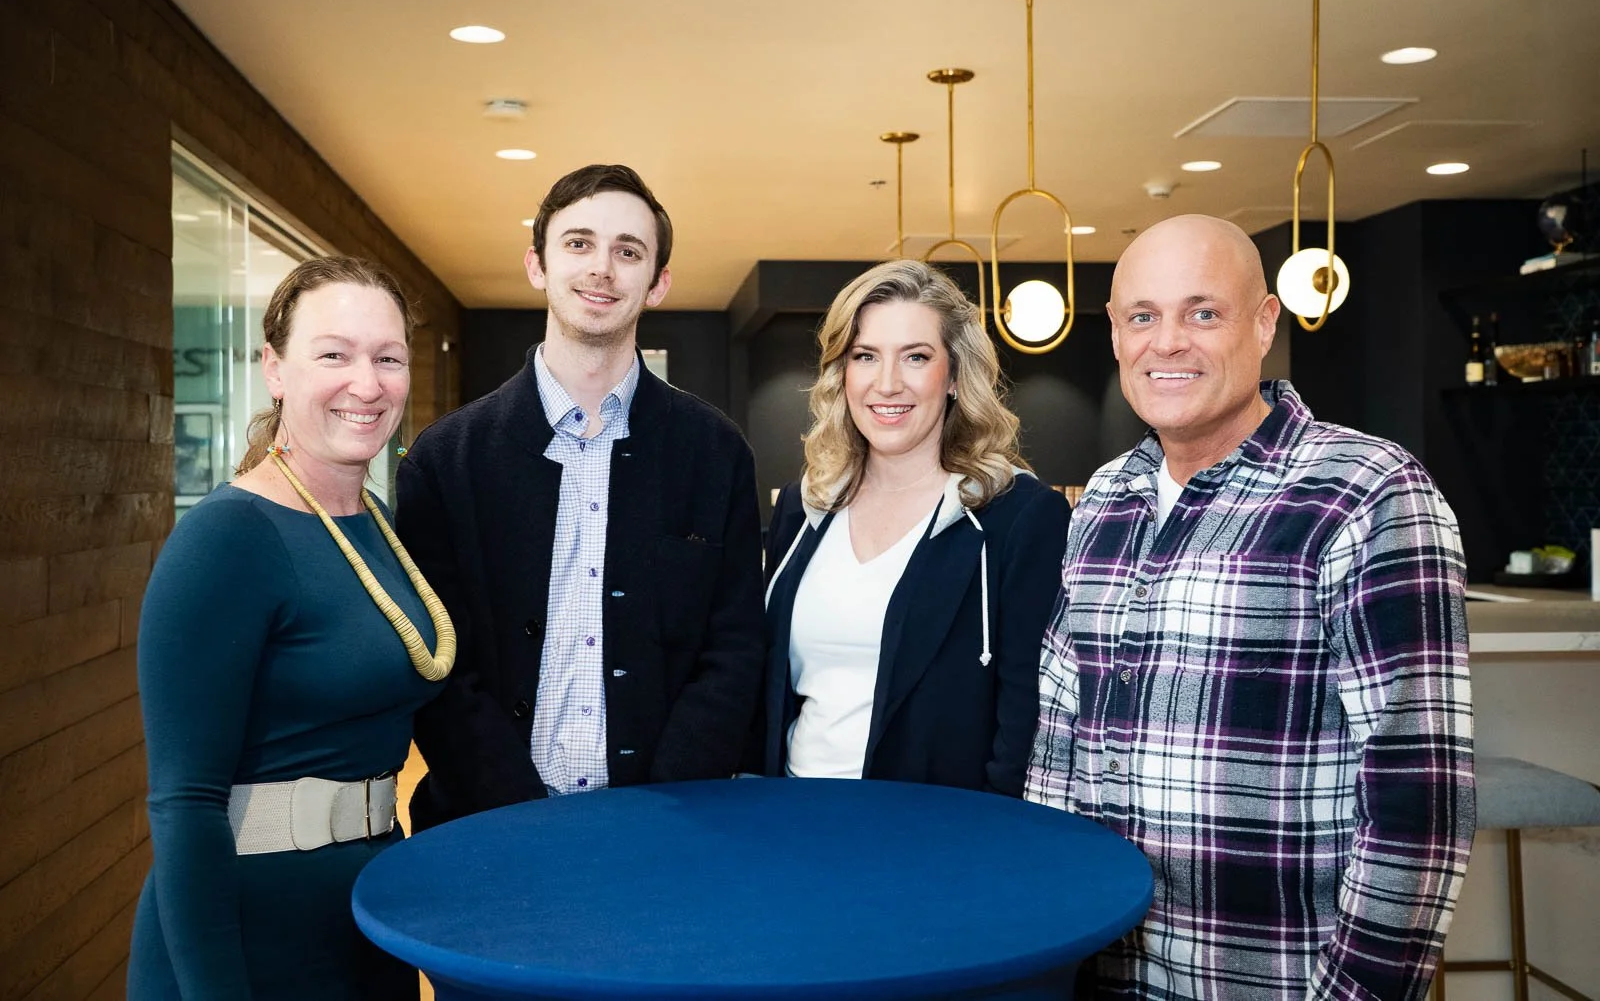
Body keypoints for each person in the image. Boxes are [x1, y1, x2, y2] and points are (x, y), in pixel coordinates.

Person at [1026, 214, 1474, 1000]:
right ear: (1117, 336)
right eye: (1143, 316)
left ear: (1265, 323)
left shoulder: (1367, 490)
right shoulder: (1104, 497)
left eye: (1203, 312)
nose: (1167, 342)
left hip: (1263, 974)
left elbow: (1418, 798)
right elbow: (1058, 744)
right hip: (1093, 965)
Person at [396, 163, 764, 829]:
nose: (602, 268)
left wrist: (659, 808)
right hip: (484, 831)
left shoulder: (715, 451)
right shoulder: (446, 458)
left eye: (629, 252)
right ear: (536, 264)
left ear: (658, 283)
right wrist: (516, 813)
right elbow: (437, 660)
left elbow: (733, 650)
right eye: (578, 243)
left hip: (671, 832)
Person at [130, 257, 455, 998]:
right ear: (275, 368)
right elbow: (184, 803)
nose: (366, 383)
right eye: (334, 354)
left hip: (366, 917)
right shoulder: (229, 536)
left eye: (388, 358)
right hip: (249, 939)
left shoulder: (377, 525)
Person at [760, 259, 1069, 795]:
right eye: (865, 357)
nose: (887, 383)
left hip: (933, 842)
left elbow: (1024, 719)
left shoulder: (1017, 516)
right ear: (842, 373)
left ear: (953, 376)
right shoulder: (806, 505)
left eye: (916, 357)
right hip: (793, 820)